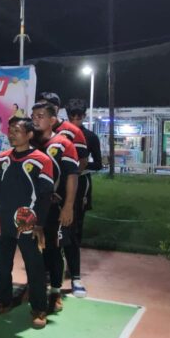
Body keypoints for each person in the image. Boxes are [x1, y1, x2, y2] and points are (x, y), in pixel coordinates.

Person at [0, 117, 54, 329]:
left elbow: (46, 195)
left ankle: (39, 308)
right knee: (2, 263)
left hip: (28, 222)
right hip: (2, 219)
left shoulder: (41, 160)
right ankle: (3, 300)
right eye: (10, 130)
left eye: (17, 130)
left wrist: (39, 224)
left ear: (29, 134)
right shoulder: (3, 158)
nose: (11, 134)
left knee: (34, 265)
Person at [37, 92, 90, 298]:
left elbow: (81, 162)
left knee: (69, 236)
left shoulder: (71, 132)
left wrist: (66, 195)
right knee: (44, 238)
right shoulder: (35, 133)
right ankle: (46, 276)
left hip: (66, 194)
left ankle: (75, 278)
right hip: (43, 198)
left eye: (46, 106)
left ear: (56, 110)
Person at [32, 102, 79, 313]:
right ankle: (36, 287)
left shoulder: (64, 144)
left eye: (40, 116)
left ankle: (55, 292)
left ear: (52, 120)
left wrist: (68, 206)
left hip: (54, 208)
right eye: (33, 116)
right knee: (33, 249)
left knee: (53, 249)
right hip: (32, 207)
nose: (35, 120)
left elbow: (72, 176)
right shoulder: (28, 142)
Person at [66, 99, 103, 297]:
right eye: (72, 116)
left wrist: (80, 166)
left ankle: (74, 272)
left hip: (81, 183)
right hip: (60, 183)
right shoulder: (61, 135)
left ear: (84, 116)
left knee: (76, 226)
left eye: (79, 117)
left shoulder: (90, 137)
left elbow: (99, 164)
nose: (76, 120)